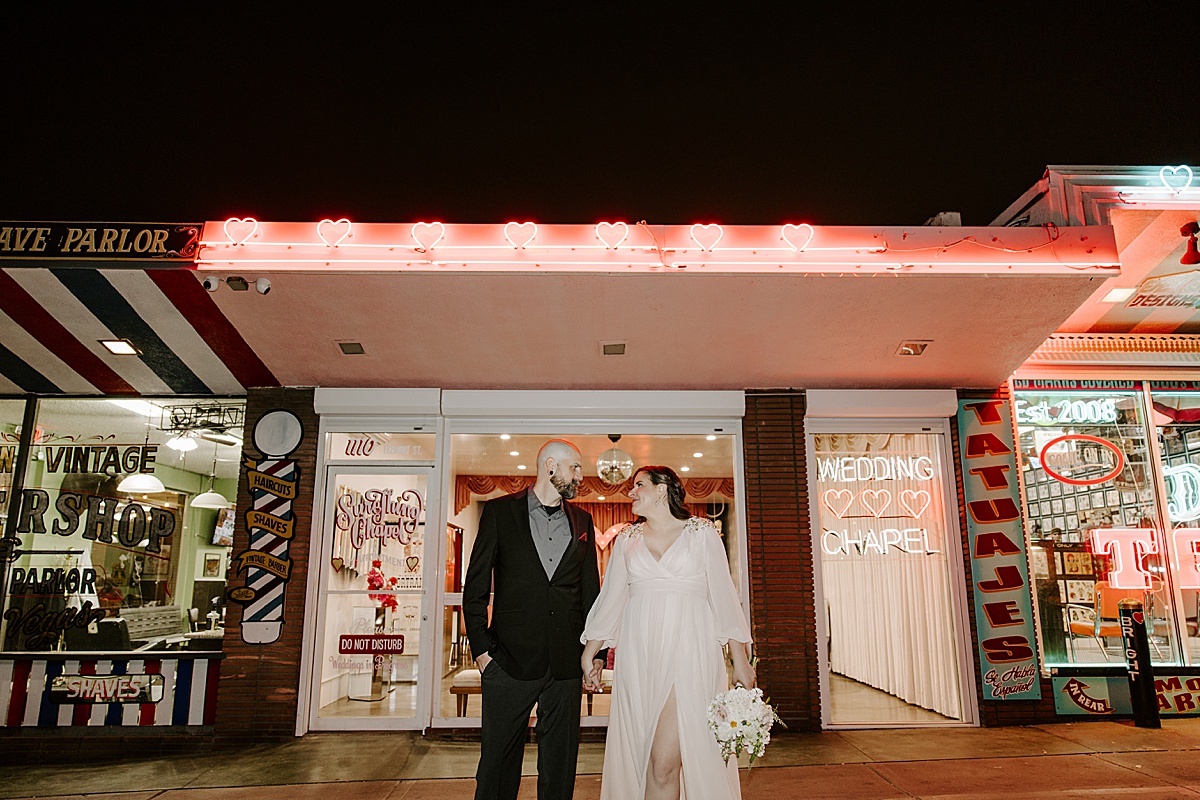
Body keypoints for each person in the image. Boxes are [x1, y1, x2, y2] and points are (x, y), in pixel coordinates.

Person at [582, 465, 753, 800]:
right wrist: (590, 653)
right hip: (640, 659)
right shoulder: (627, 541)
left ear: (662, 490)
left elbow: (724, 597)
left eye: (639, 485)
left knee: (663, 762)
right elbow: (611, 600)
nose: (631, 492)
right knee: (646, 759)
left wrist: (741, 662)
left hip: (689, 655)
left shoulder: (701, 533)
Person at [463, 439, 607, 800]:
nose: (580, 475)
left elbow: (592, 595)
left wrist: (597, 654)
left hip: (566, 664)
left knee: (560, 767)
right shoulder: (498, 512)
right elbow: (475, 585)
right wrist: (483, 652)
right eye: (575, 467)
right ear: (551, 467)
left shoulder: (584, 521)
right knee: (496, 765)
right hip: (507, 661)